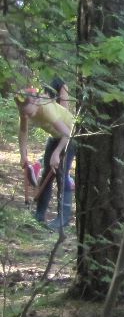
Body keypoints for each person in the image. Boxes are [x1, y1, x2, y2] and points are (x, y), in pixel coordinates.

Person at [15, 83, 75, 229]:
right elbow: (23, 132)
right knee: (47, 173)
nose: (26, 116)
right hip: (55, 137)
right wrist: (23, 155)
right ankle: (39, 215)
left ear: (36, 102)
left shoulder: (47, 109)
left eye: (29, 113)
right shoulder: (24, 108)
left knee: (61, 173)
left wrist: (57, 153)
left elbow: (68, 132)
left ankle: (63, 218)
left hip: (71, 136)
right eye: (24, 114)